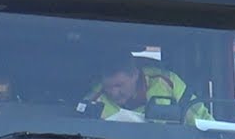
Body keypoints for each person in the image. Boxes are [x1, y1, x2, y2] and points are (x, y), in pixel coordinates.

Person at [80, 50, 212, 124]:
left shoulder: (168, 82)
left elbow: (201, 118)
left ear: (135, 75)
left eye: (119, 85)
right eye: (108, 86)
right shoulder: (93, 100)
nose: (114, 93)